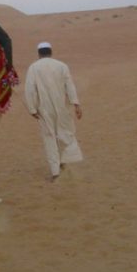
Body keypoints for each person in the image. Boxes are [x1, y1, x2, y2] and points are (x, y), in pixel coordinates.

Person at [24, 41, 83, 180]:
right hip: (62, 106)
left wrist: (32, 108)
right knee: (65, 132)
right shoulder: (62, 66)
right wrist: (76, 104)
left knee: (49, 136)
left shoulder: (33, 68)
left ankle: (55, 171)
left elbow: (29, 89)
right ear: (50, 52)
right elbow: (70, 85)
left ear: (39, 53)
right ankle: (64, 160)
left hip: (44, 108)